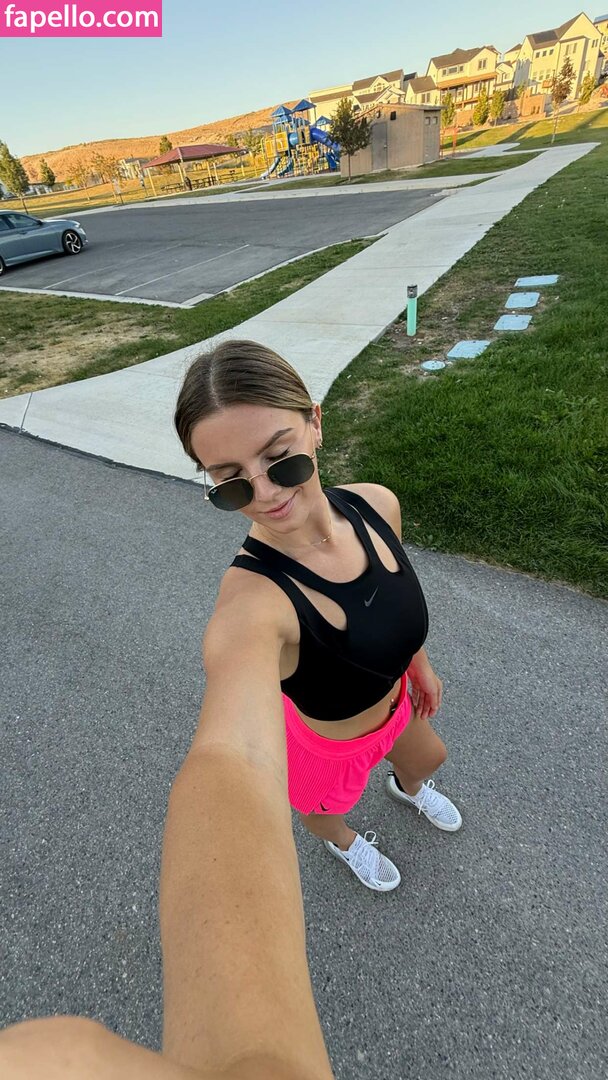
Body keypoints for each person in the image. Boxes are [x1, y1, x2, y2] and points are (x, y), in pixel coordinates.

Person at [0, 338, 461, 1078]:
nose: (267, 493)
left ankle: (406, 787)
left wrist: (418, 663)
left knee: (429, 760)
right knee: (325, 812)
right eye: (230, 484)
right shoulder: (251, 604)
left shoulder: (377, 506)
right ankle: (343, 843)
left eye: (280, 458)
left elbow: (395, 601)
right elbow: (230, 761)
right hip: (326, 747)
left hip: (397, 705)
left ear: (315, 423)